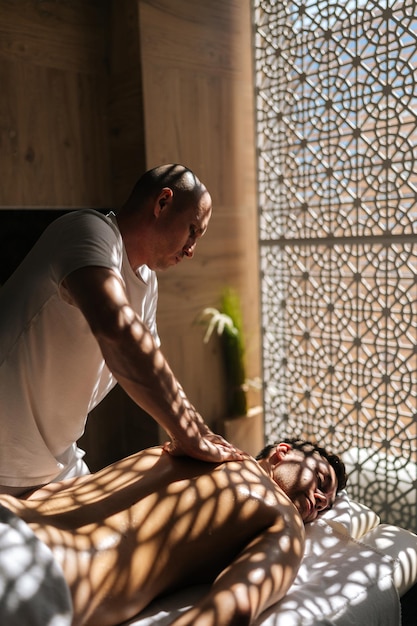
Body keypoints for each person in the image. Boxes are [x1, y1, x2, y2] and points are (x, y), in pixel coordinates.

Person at [0, 164, 243, 496]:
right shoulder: (88, 230)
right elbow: (118, 333)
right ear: (162, 203)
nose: (191, 250)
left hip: (53, 457)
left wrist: (200, 430)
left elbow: (152, 362)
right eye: (192, 230)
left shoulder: (148, 282)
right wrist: (188, 436)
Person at [0, 437, 347, 626]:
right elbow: (232, 609)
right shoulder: (281, 517)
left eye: (327, 505)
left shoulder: (190, 443)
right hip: (48, 574)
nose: (319, 501)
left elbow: (55, 492)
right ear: (282, 453)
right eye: (321, 482)